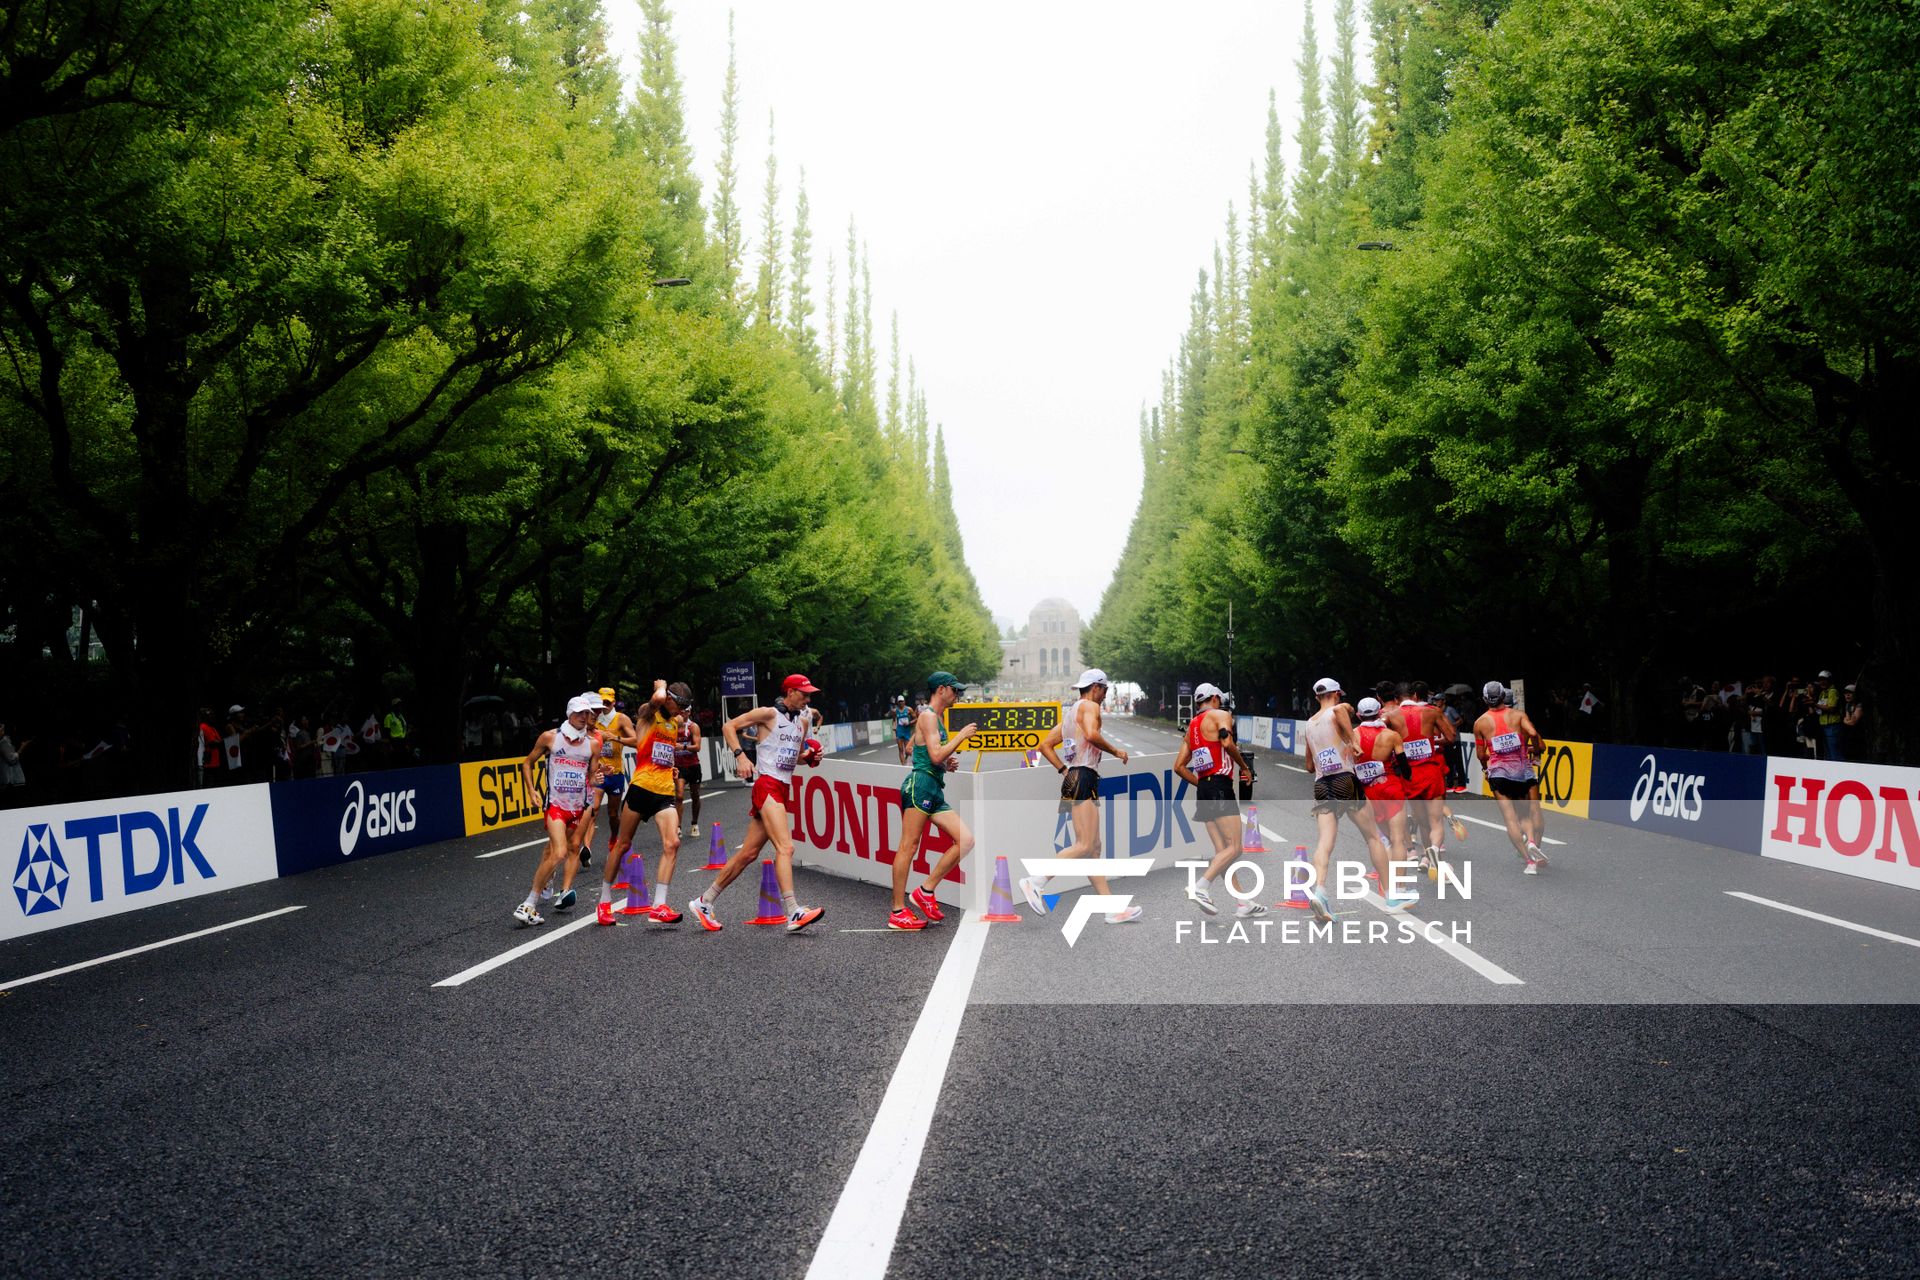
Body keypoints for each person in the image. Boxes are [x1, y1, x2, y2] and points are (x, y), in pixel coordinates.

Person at [693, 674, 828, 933]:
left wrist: (811, 757)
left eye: (810, 694)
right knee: (785, 848)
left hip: (783, 787)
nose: (808, 699)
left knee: (748, 854)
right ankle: (793, 911)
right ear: (789, 692)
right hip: (767, 785)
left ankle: (704, 901)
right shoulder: (768, 713)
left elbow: (797, 757)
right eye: (804, 694)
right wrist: (740, 757)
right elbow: (728, 726)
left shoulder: (804, 719)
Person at [1020, 668, 1144, 925]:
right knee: (1085, 845)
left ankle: (1111, 908)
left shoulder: (1070, 714)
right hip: (1084, 776)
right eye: (1105, 690)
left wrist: (1065, 770)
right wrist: (1116, 750)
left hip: (1075, 777)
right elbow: (1091, 734)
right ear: (1096, 687)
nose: (1105, 695)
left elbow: (1044, 745)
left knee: (1093, 849)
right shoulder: (1089, 707)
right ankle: (1036, 881)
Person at [1300, 679, 1408, 920]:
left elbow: (1309, 765)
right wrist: (1352, 741)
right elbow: (1340, 710)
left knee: (1324, 842)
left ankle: (1319, 891)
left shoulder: (1308, 724)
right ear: (1337, 694)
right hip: (1344, 780)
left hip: (1321, 784)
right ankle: (1391, 895)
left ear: (1317, 697)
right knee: (1372, 837)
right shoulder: (1338, 710)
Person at [886, 673, 979, 930]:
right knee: (908, 846)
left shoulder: (935, 719)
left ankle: (926, 891)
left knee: (966, 840)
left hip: (934, 787)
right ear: (941, 689)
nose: (958, 695)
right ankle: (897, 911)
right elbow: (934, 754)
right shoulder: (928, 716)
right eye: (955, 690)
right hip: (921, 786)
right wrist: (959, 738)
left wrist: (947, 763)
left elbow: (920, 751)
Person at [599, 681, 690, 926]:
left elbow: (661, 748)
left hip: (664, 792)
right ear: (668, 698)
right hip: (641, 788)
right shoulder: (647, 715)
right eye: (678, 705)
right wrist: (661, 687)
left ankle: (659, 906)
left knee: (673, 843)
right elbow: (657, 700)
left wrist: (669, 766)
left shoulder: (674, 723)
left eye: (684, 707)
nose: (681, 711)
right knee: (622, 844)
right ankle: (604, 902)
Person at [1175, 682, 1264, 919]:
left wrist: (1203, 784)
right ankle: (1200, 887)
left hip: (1204, 788)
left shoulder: (1192, 726)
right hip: (1220, 786)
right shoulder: (1221, 715)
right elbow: (1226, 742)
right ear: (1215, 698)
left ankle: (1242, 902)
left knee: (1223, 852)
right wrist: (1245, 768)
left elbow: (1179, 767)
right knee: (1235, 848)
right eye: (1220, 699)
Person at [512, 695, 601, 927]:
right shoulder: (551, 738)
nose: (585, 717)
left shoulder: (592, 744)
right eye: (580, 713)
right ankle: (528, 904)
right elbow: (527, 763)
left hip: (578, 808)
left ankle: (553, 889)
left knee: (563, 849)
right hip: (556, 807)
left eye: (587, 713)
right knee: (560, 852)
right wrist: (531, 790)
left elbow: (591, 776)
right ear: (569, 714)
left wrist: (599, 776)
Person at [1474, 681, 1548, 872]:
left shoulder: (1480, 722)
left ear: (1484, 699)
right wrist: (1536, 751)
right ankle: (1532, 842)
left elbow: (1481, 754)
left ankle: (1529, 862)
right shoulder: (1518, 715)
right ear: (1502, 697)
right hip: (1522, 772)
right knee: (1525, 814)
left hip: (1499, 773)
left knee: (1510, 819)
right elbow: (1533, 733)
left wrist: (1485, 769)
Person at [1392, 681, 1457, 870]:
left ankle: (1427, 859)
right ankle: (1434, 850)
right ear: (1414, 696)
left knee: (1422, 822)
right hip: (1431, 771)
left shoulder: (1391, 716)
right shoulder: (1432, 711)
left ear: (1396, 699)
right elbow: (1451, 736)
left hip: (1410, 775)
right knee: (1436, 821)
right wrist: (1434, 742)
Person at [1353, 697, 1414, 874]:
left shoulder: (1352, 736)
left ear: (1358, 715)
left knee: (1379, 839)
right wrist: (1408, 779)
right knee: (1398, 840)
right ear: (1379, 712)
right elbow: (1404, 767)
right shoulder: (1392, 735)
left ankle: (1386, 880)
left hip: (1368, 793)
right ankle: (1400, 885)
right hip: (1391, 788)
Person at [582, 688, 636, 870]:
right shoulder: (590, 718)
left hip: (616, 773)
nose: (603, 706)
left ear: (613, 702)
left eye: (607, 703)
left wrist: (616, 738)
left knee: (613, 814)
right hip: (598, 772)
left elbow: (637, 740)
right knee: (593, 809)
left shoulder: (621, 719)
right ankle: (586, 848)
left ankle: (614, 837)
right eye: (601, 703)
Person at [675, 699, 705, 838]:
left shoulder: (693, 727)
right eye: (681, 710)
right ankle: (678, 827)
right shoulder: (672, 726)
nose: (683, 713)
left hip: (693, 765)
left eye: (686, 711)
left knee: (695, 795)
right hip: (679, 766)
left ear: (689, 712)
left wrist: (683, 747)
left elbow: (697, 747)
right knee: (679, 796)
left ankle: (694, 823)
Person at [1814, 672, 1843, 761]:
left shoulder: (1833, 691)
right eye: (1820, 680)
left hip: (1832, 727)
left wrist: (1815, 704)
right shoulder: (1822, 693)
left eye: (1824, 680)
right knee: (1827, 754)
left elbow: (1832, 709)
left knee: (1834, 754)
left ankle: (1839, 773)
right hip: (1824, 726)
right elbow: (1820, 708)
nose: (1822, 682)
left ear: (1829, 680)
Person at [0, 722, 27, 807]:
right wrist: (22, 748)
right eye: (1, 730)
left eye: (3, 730)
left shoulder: (6, 741)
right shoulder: (3, 743)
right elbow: (12, 760)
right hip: (11, 783)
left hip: (9, 783)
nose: (3, 732)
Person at [892, 695, 915, 766]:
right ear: (897, 703)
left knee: (908, 749)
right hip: (899, 730)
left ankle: (905, 758)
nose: (900, 703)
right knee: (900, 749)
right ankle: (903, 765)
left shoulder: (909, 709)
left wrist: (909, 723)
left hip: (907, 730)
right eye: (899, 702)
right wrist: (894, 727)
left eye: (902, 701)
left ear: (904, 702)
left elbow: (916, 718)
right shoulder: (895, 711)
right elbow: (894, 720)